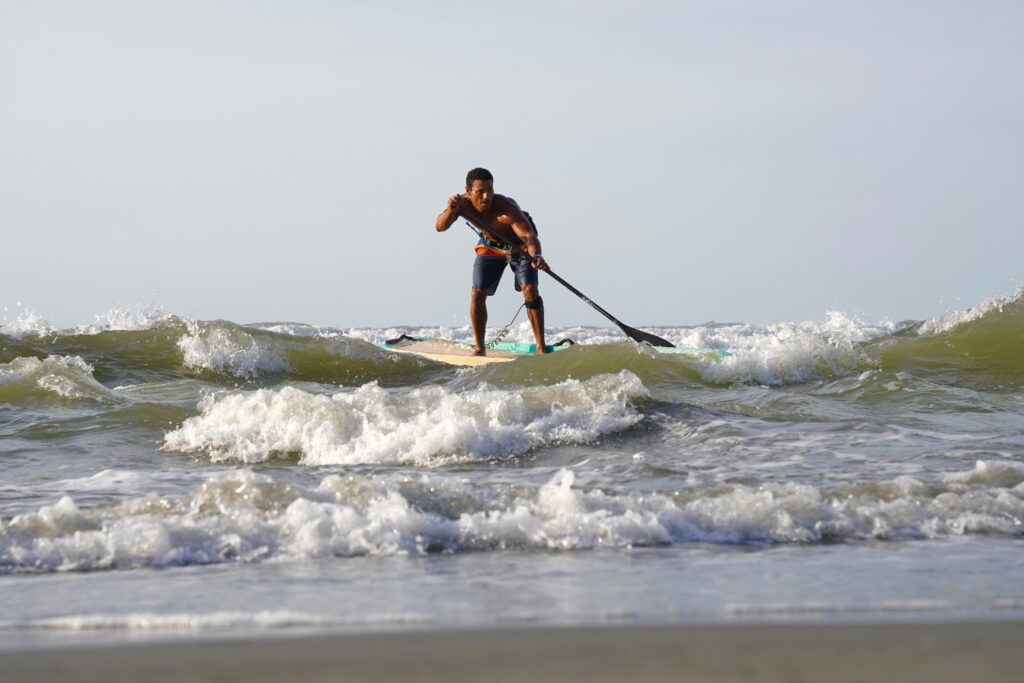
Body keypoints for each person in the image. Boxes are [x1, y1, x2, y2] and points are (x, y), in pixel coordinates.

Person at [436, 168, 550, 356]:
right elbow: (440, 226)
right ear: (468, 190)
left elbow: (529, 236)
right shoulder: (461, 205)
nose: (487, 196)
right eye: (480, 191)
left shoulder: (506, 208)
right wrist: (451, 209)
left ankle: (541, 347)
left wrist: (536, 256)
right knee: (477, 293)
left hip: (520, 247)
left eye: (490, 189)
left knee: (529, 289)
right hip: (491, 247)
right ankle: (480, 348)